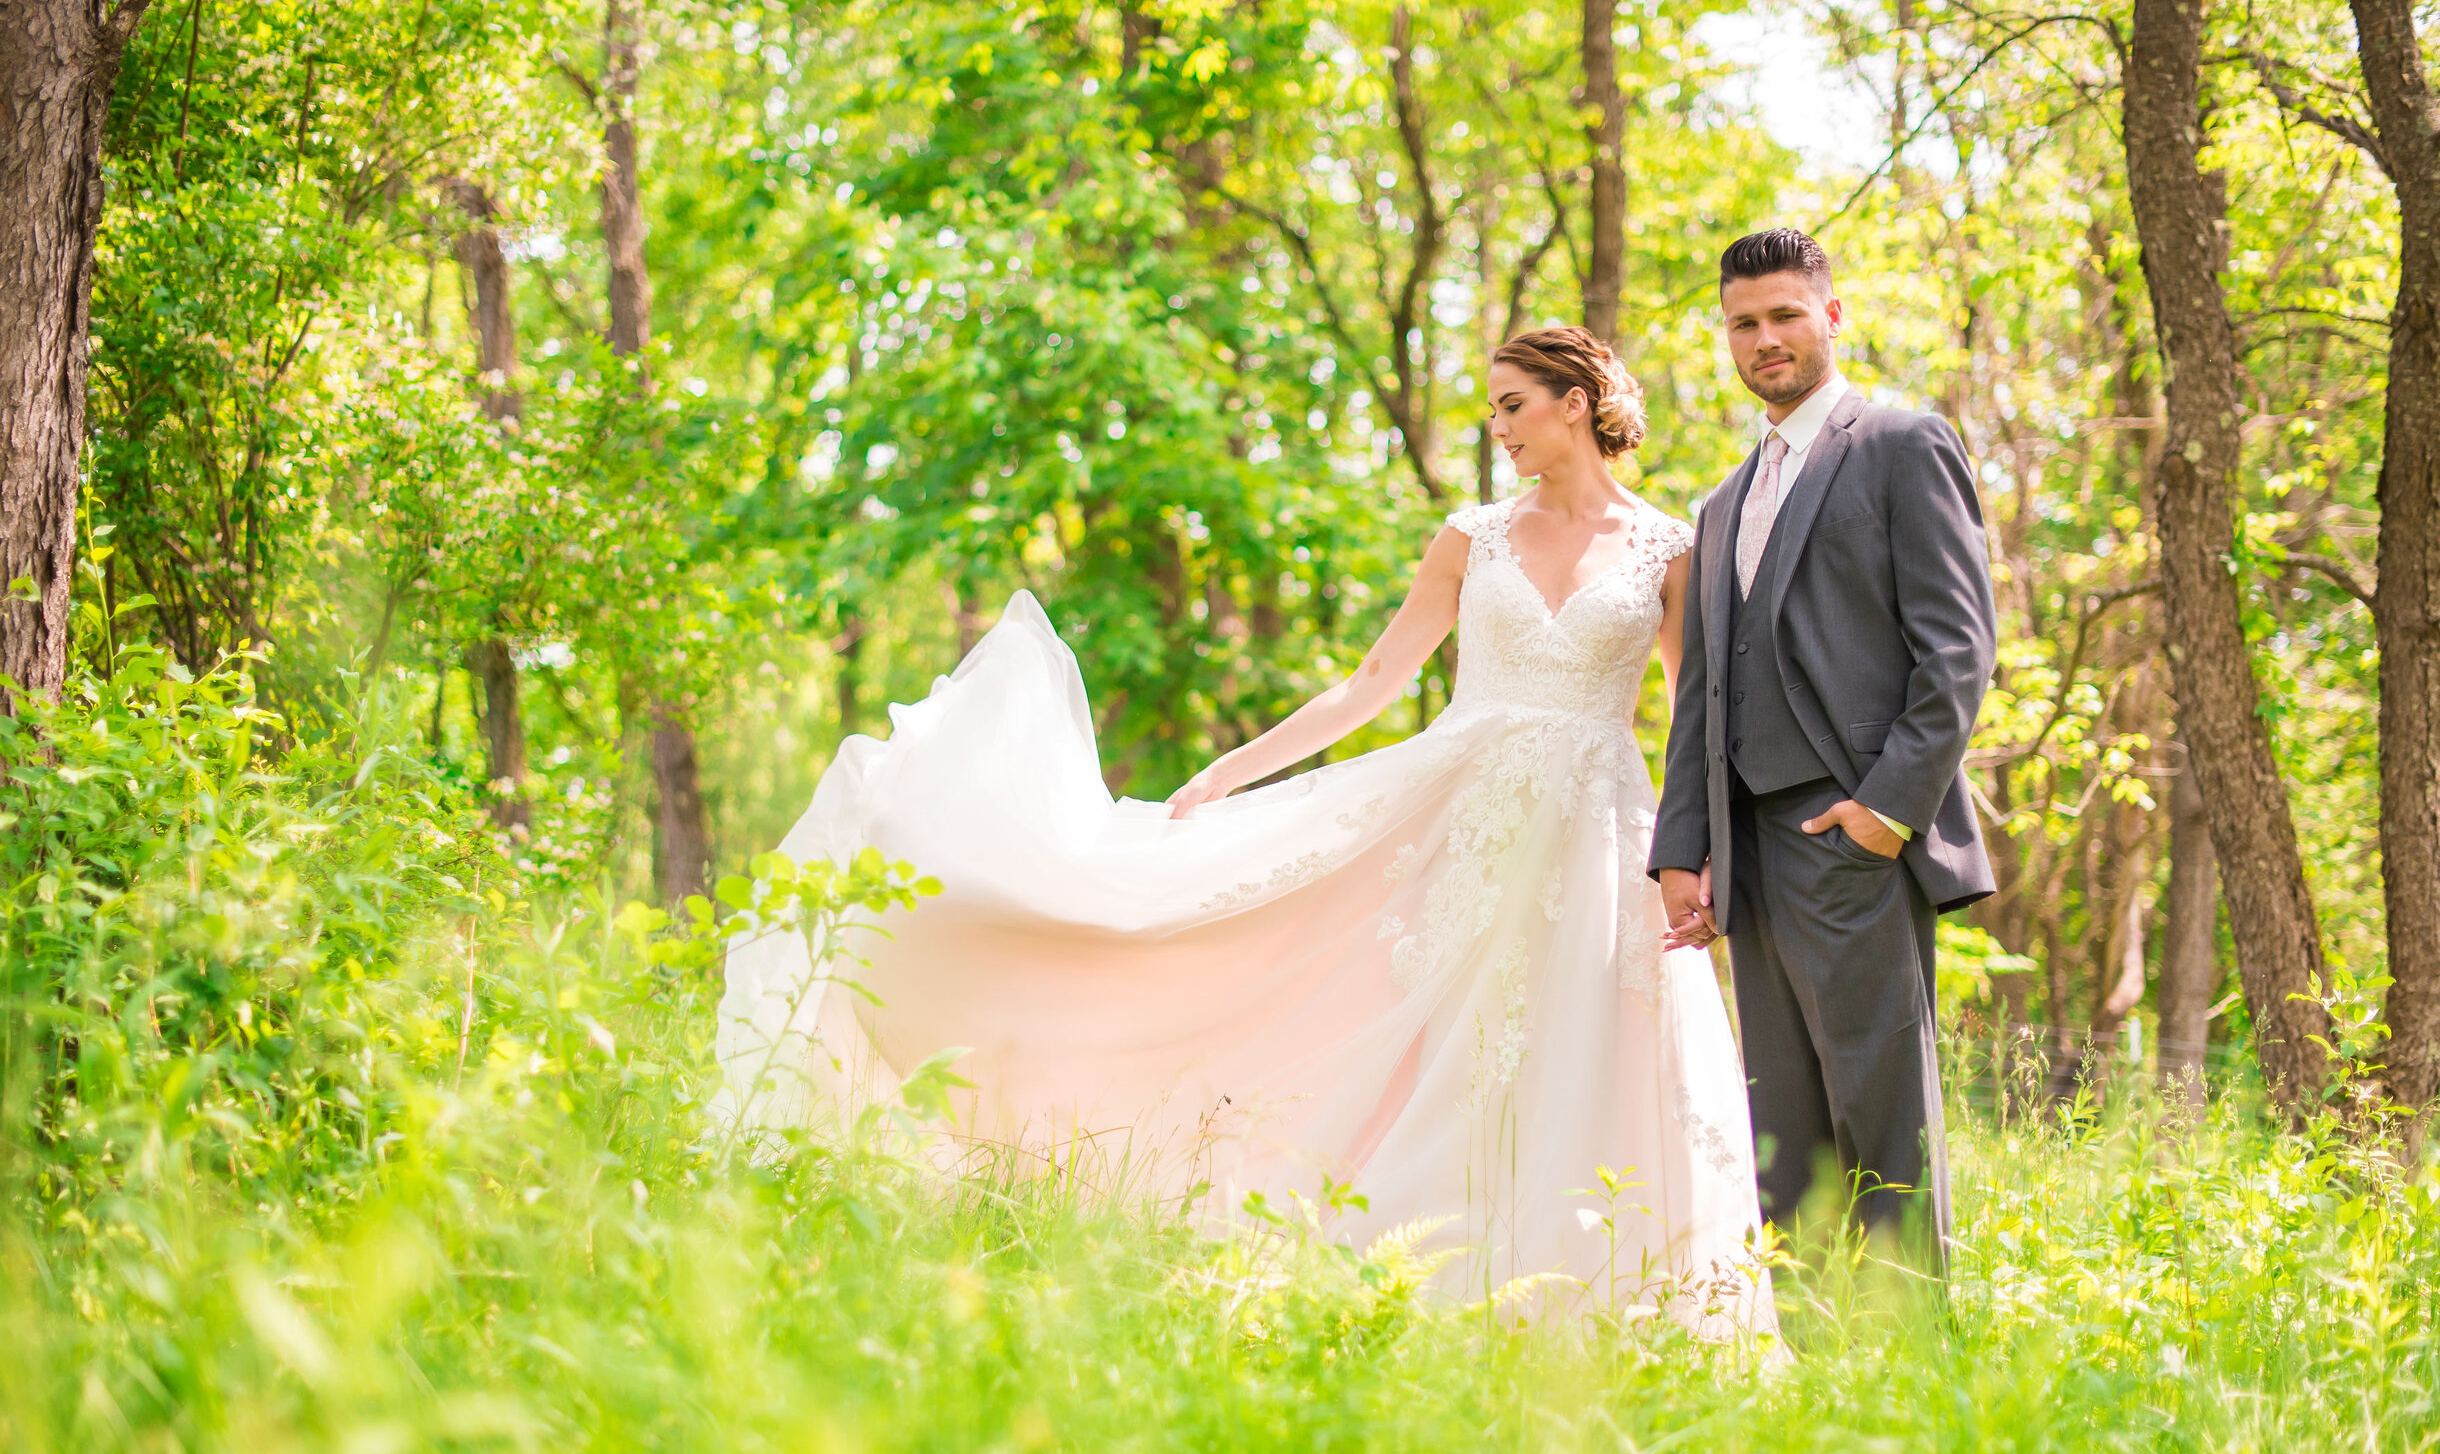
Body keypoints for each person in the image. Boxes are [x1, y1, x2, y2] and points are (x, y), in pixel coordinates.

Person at [717, 327, 1774, 1333]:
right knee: (1419, 1029)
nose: (1496, 428)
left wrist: (1695, 854)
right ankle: (1435, 1277)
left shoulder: (1667, 547)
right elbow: (1371, 682)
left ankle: (1602, 1298)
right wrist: (1233, 768)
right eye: (1492, 409)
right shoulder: (1472, 536)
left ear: (1576, 404)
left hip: (1598, 831)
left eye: (1512, 406)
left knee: (1592, 1042)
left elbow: (1690, 718)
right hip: (1463, 817)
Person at [1652, 229, 1996, 1274]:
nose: (1764, 339)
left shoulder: (1899, 445)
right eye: (1743, 324)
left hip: (1851, 833)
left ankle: (1912, 1375)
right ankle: (1815, 1382)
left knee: (1882, 1119)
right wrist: (1682, 851)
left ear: (1831, 317)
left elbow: (1959, 648)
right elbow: (1699, 695)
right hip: (1747, 858)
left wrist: (1885, 812)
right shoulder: (1719, 503)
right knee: (1782, 1140)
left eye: (1784, 315)